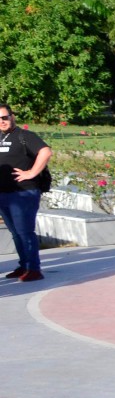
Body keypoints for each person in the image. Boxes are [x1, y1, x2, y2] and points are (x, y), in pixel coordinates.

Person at [0, 104, 53, 282]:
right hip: (4, 193)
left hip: (24, 193)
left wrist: (31, 173)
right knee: (15, 232)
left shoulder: (25, 136)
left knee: (25, 231)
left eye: (5, 117)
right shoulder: (0, 137)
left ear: (12, 116)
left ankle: (34, 269)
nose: (2, 121)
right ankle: (24, 265)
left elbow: (45, 152)